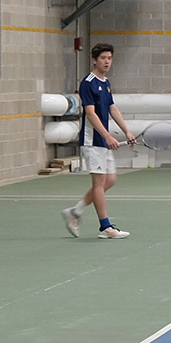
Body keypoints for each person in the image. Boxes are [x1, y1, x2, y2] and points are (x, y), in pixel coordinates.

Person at [62, 43, 135, 239]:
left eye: (109, 58)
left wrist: (126, 131)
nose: (107, 62)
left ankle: (75, 211)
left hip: (102, 141)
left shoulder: (106, 82)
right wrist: (107, 136)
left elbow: (112, 108)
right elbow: (90, 114)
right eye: (103, 58)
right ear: (95, 60)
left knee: (109, 180)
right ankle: (105, 227)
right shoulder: (88, 82)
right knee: (99, 182)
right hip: (92, 141)